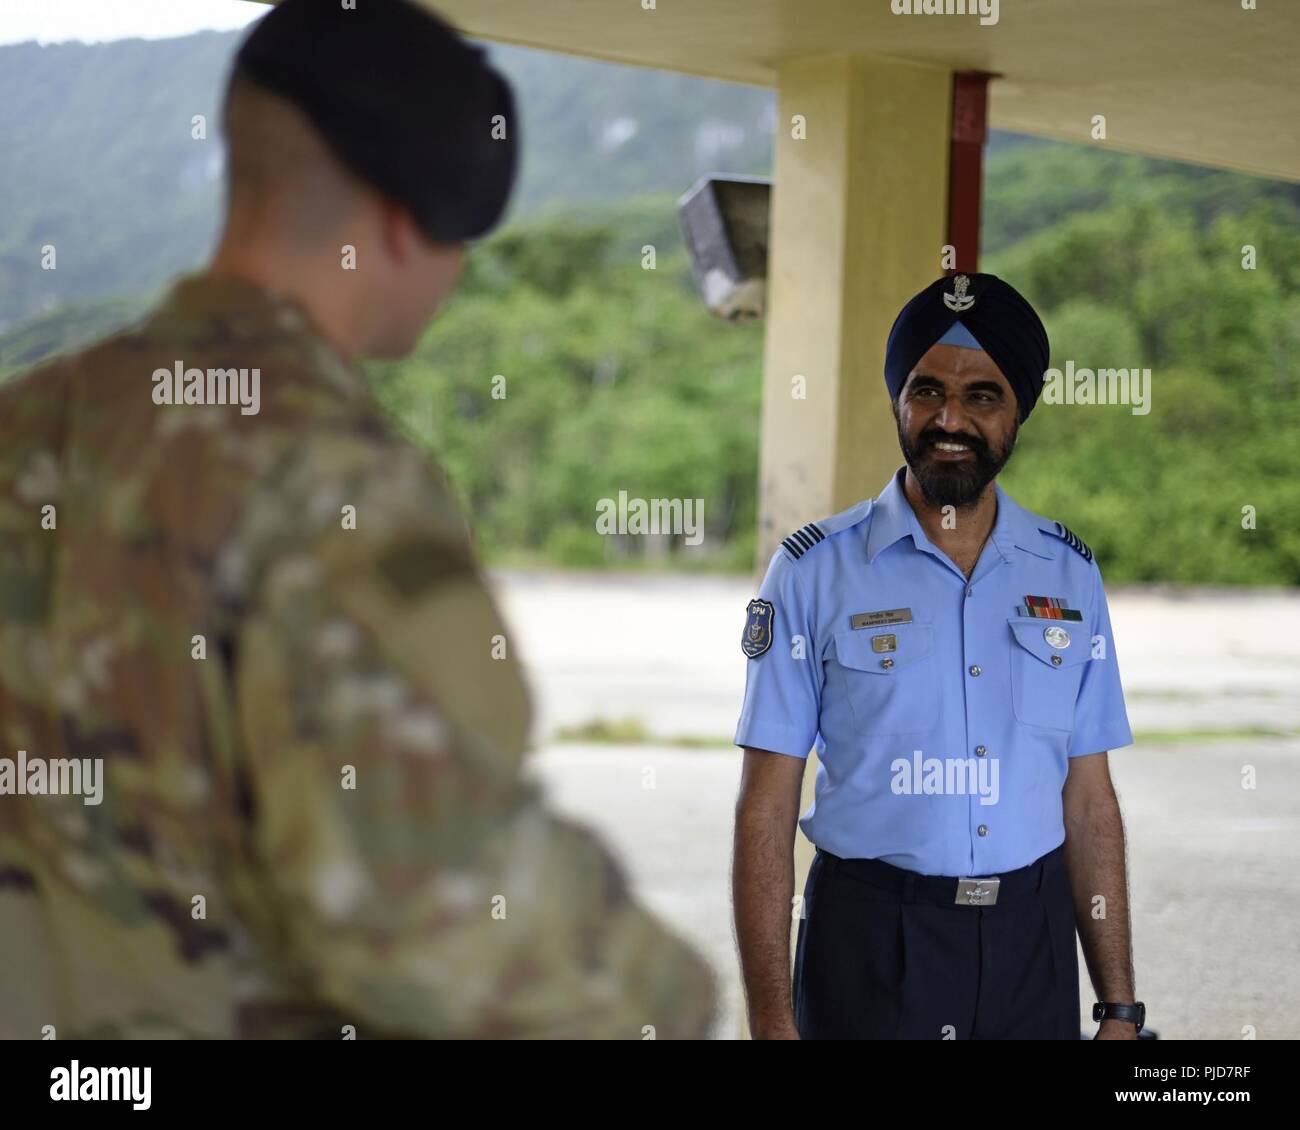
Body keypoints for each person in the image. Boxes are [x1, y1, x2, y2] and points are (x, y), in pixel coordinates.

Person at [0, 0, 714, 1040]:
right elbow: (432, 915)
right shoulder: (329, 482)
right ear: (401, 218)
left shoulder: (24, 422)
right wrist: (669, 997)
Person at [732, 272, 1143, 1040]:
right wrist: (770, 1022)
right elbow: (766, 806)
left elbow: (1089, 799)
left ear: (1019, 410)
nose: (949, 419)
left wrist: (1119, 1005)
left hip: (1034, 943)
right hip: (869, 946)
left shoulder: (1068, 573)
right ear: (898, 400)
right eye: (926, 391)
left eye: (983, 396)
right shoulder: (814, 571)